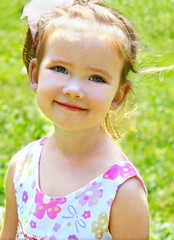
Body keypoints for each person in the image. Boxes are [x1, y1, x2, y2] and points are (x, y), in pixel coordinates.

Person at [0, 0, 149, 239]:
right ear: (35, 74)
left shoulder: (122, 192)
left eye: (96, 78)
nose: (74, 90)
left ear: (118, 95)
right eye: (60, 69)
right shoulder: (21, 167)